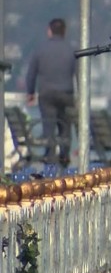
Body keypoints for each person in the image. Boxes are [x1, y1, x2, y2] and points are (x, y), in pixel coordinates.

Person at [25, 18, 77, 168]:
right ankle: (64, 156)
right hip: (66, 93)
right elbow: (80, 74)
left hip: (46, 94)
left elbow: (31, 74)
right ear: (64, 31)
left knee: (49, 125)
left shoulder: (40, 50)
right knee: (65, 127)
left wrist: (30, 92)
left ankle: (50, 156)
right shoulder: (71, 50)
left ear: (49, 30)